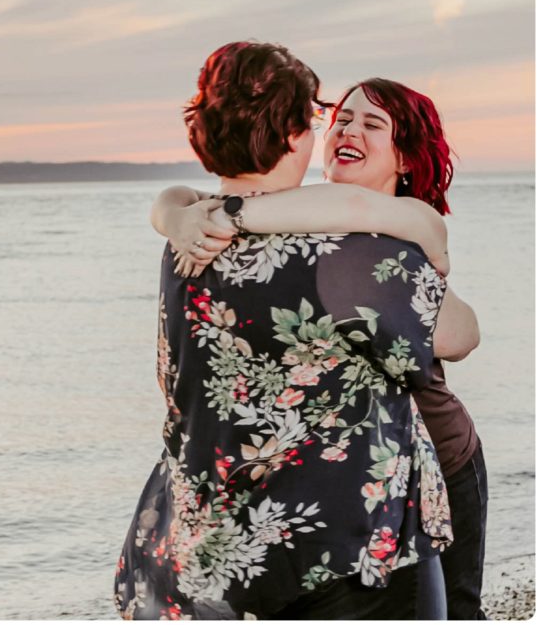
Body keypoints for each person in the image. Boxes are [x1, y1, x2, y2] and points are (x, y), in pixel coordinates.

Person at [114, 42, 455, 620]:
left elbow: (184, 203)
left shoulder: (187, 240)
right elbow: (457, 335)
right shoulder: (344, 253)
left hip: (213, 544)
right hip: (341, 554)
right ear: (298, 135)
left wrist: (178, 212)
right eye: (325, 117)